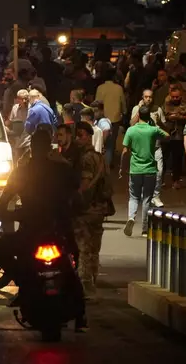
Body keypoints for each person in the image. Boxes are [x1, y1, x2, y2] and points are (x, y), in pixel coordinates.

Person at [0, 129, 87, 331]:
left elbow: (3, 203)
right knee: (72, 266)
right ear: (48, 147)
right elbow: (77, 194)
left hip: (32, 230)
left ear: (32, 147)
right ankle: (80, 315)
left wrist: (10, 216)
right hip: (58, 229)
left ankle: (23, 283)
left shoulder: (22, 171)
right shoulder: (61, 169)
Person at [74, 121, 110, 298]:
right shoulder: (99, 157)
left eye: (80, 135)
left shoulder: (86, 158)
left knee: (84, 250)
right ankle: (92, 282)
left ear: (88, 137)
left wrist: (77, 200)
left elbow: (85, 185)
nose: (77, 139)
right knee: (94, 250)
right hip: (100, 209)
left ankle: (86, 287)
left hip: (88, 210)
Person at [121, 106, 169, 236]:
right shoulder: (153, 130)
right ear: (149, 116)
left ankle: (131, 217)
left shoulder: (131, 130)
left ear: (138, 115)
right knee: (147, 198)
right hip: (150, 170)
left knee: (134, 197)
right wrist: (156, 126)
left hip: (135, 169)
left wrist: (122, 167)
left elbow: (125, 152)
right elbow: (168, 136)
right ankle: (144, 229)